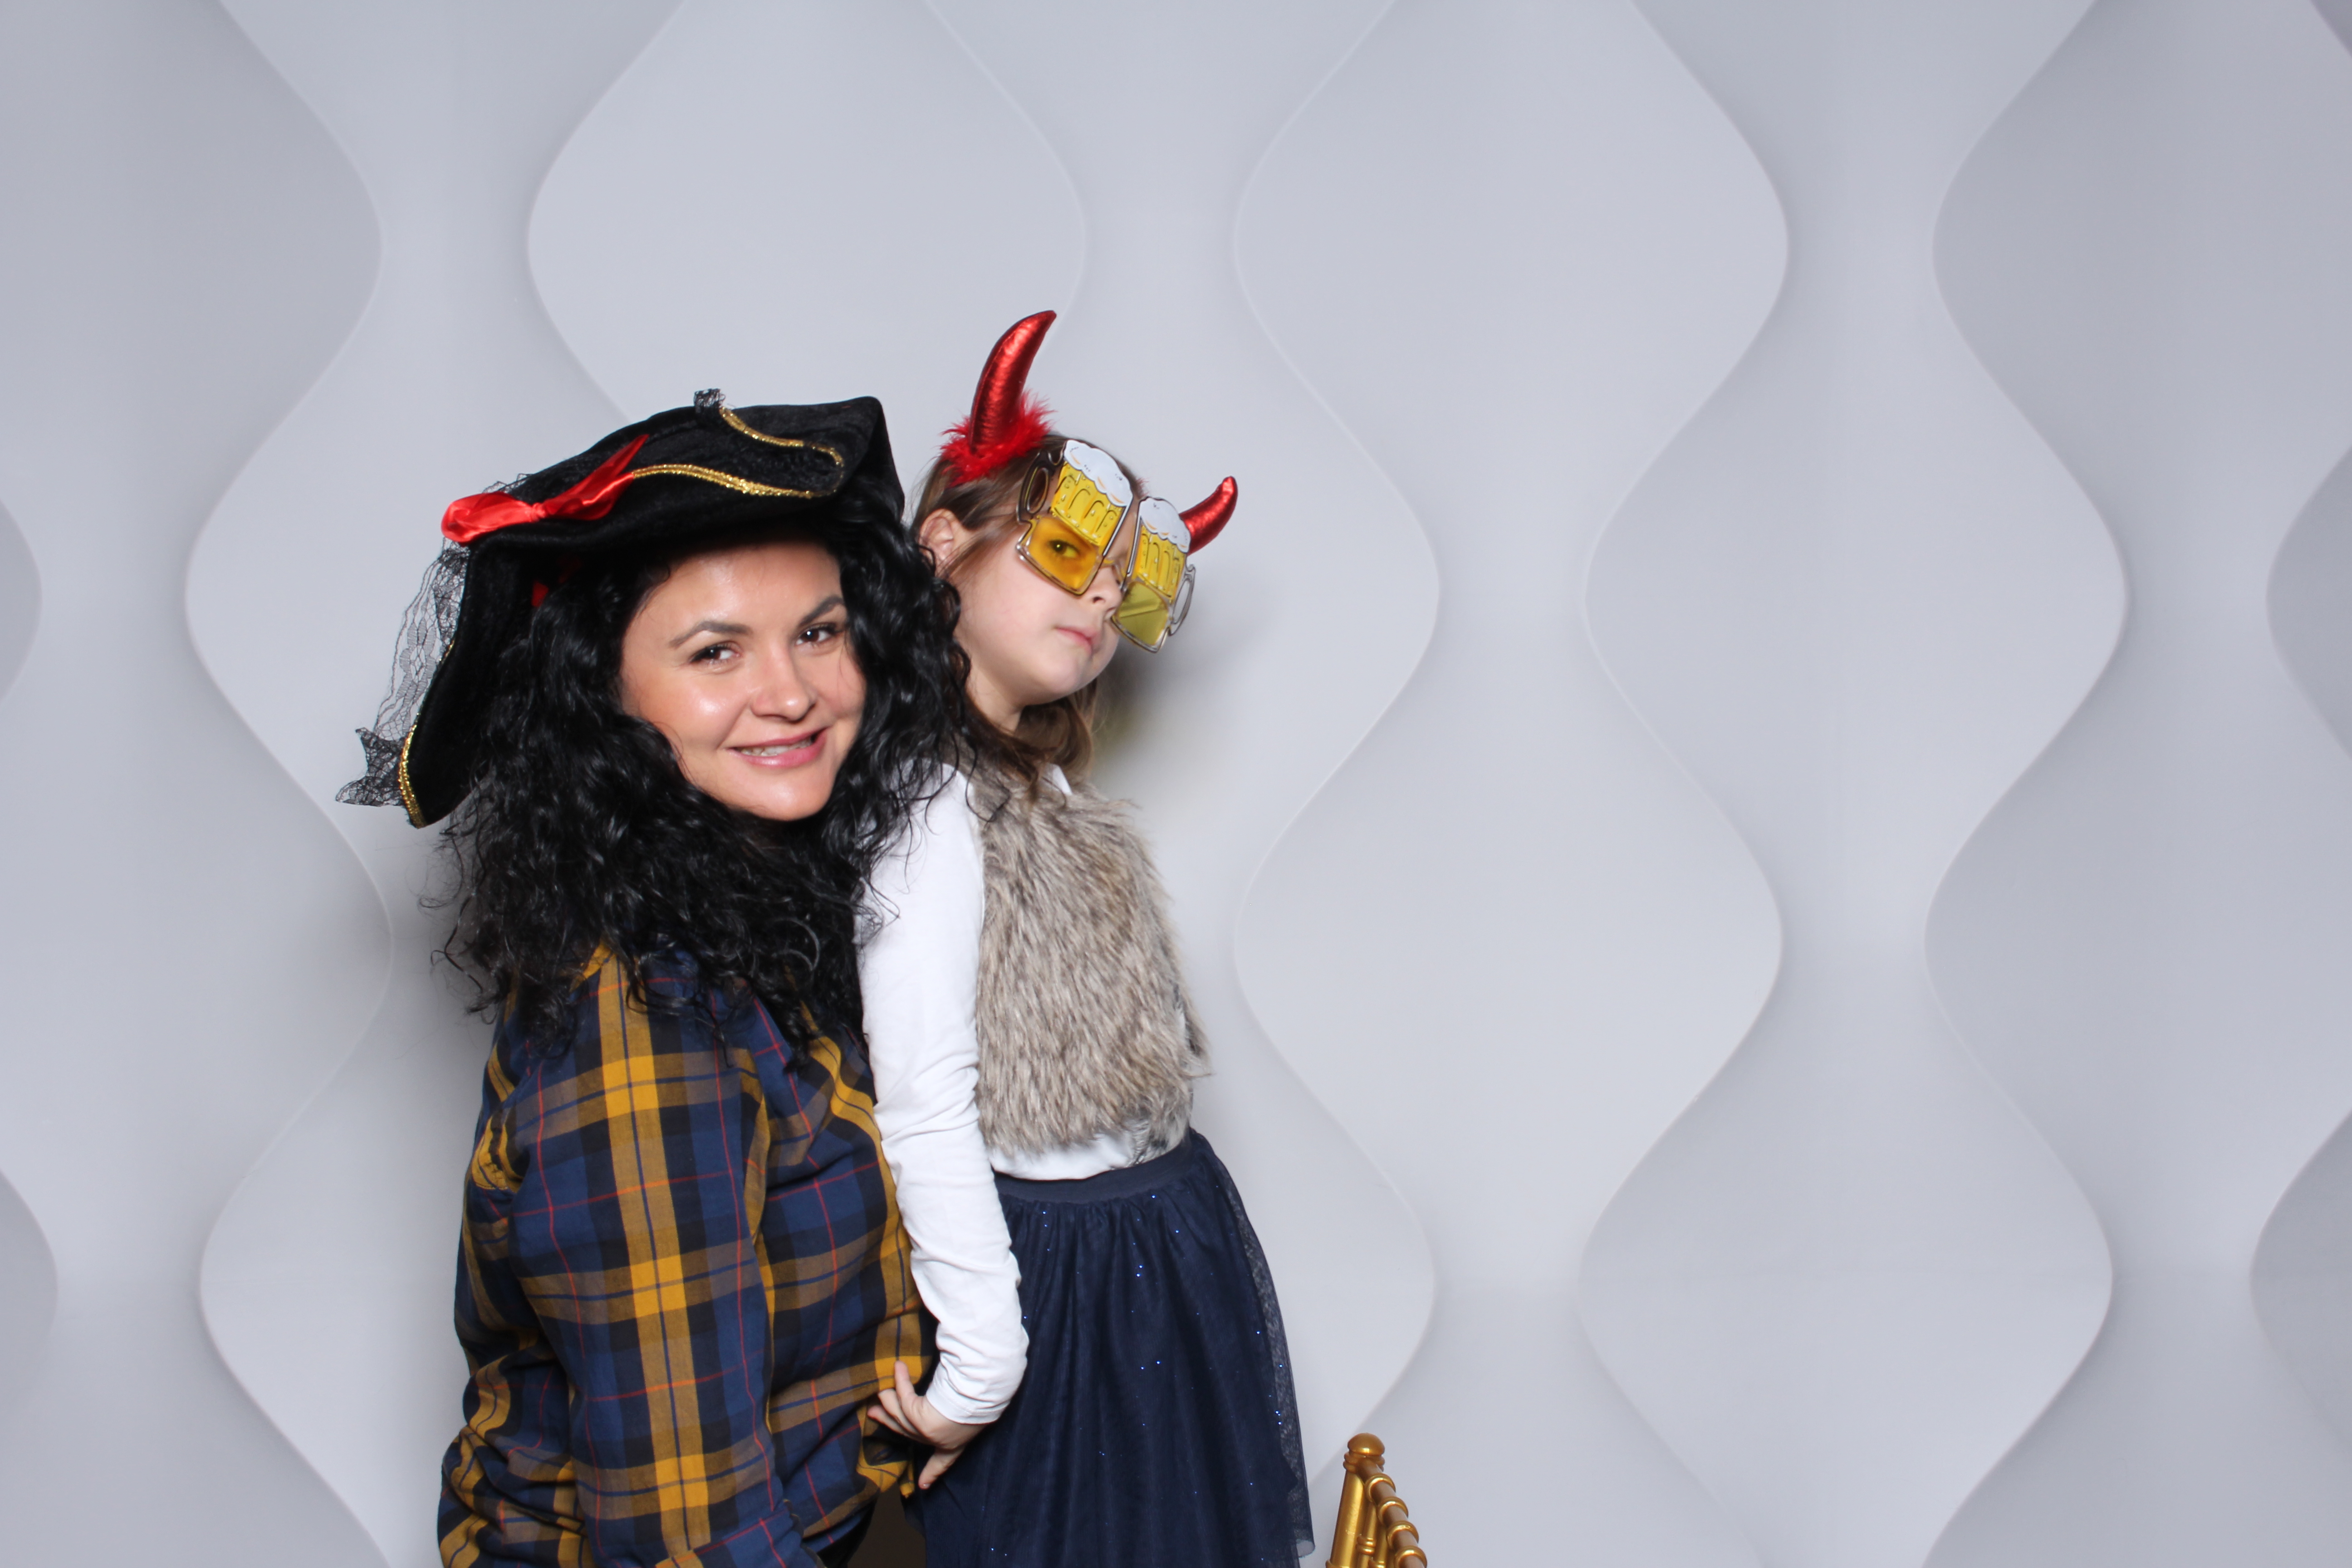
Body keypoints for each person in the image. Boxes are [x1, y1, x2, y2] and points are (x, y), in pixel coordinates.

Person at [337, 392, 961, 1568]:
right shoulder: (644, 1022)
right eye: (716, 651)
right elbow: (691, 1535)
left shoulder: (762, 909)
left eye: (819, 632)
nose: (792, 693)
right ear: (604, 695)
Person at [857, 313, 1313, 1565]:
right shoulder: (928, 801)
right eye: (1064, 554)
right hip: (1058, 1279)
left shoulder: (1039, 786)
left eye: (1126, 584)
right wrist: (983, 1363)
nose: (1102, 596)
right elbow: (924, 1098)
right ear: (942, 546)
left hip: (1161, 1245)